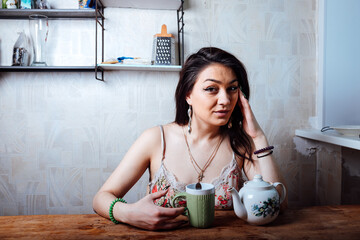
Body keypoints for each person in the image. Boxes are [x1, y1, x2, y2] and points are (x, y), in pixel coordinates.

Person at [93, 47, 287, 230]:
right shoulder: (155, 139)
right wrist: (128, 213)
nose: (226, 100)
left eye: (232, 88)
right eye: (212, 88)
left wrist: (258, 136)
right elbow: (101, 198)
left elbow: (279, 204)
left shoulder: (242, 144)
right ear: (188, 95)